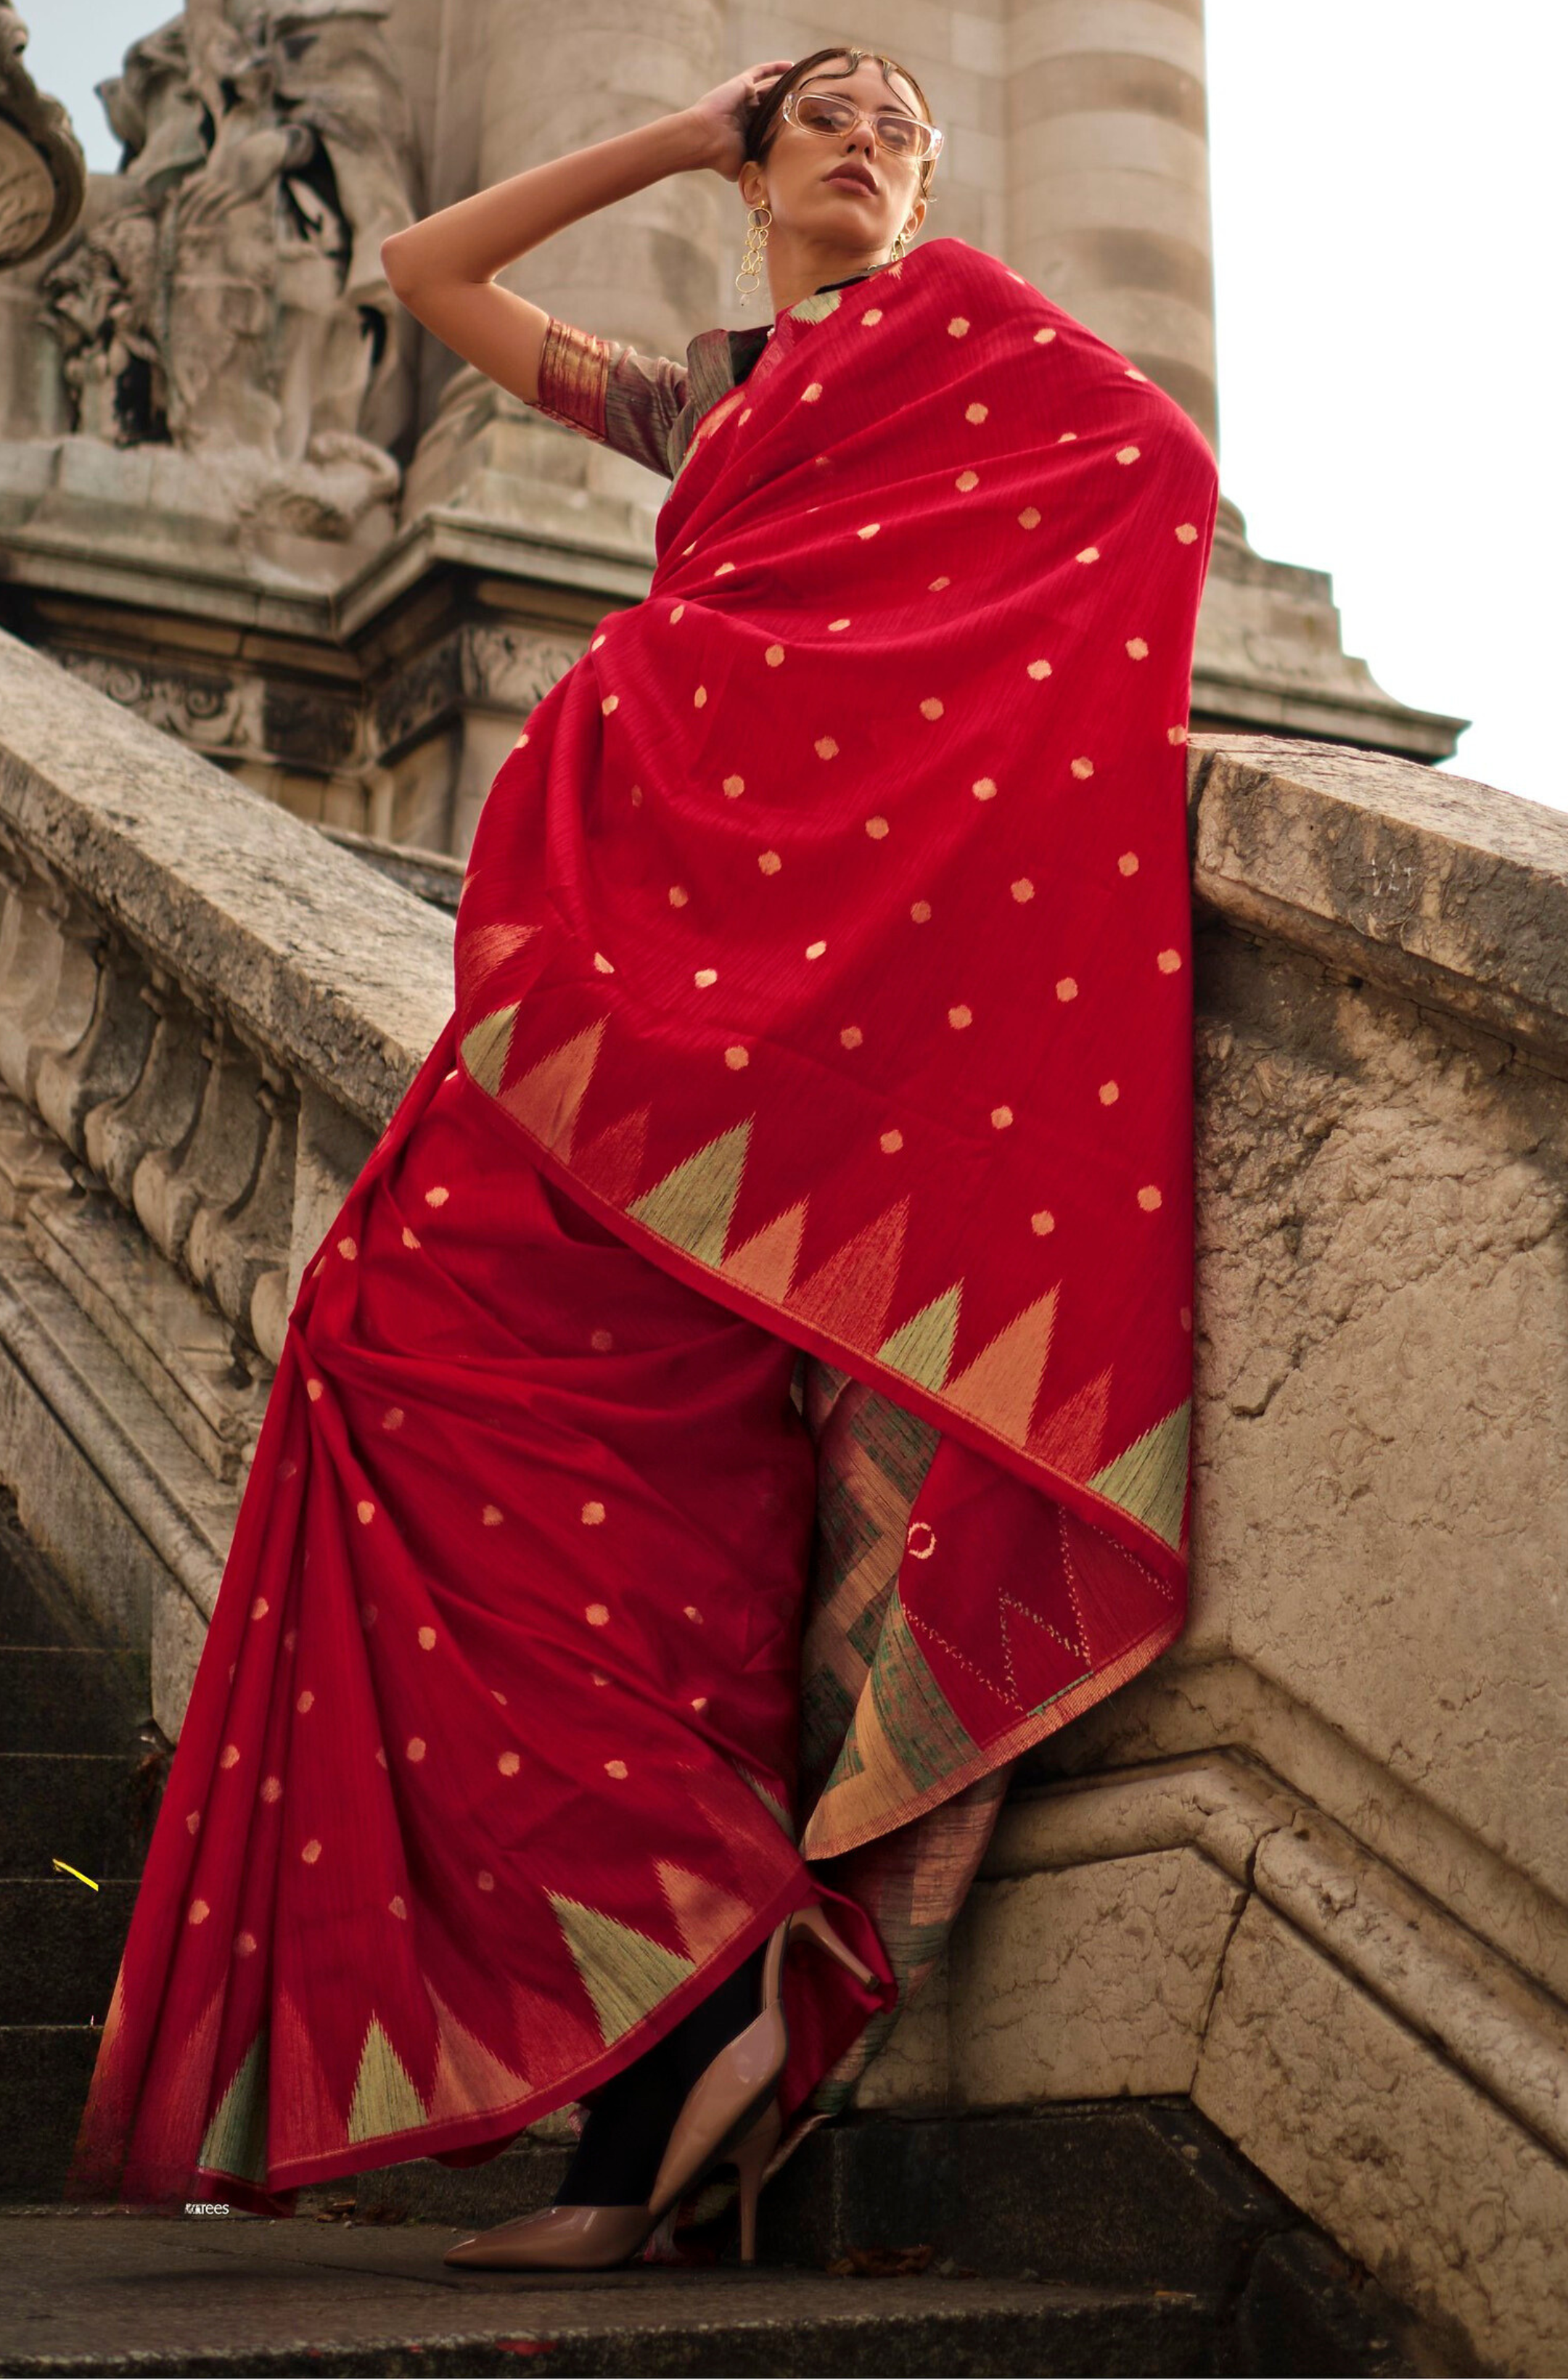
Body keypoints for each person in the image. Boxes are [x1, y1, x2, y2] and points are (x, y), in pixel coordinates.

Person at [64, 47, 1218, 2275]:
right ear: (758, 165)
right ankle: (684, 2033)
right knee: (376, 1354)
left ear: (937, 177)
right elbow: (421, 268)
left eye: (901, 117)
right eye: (824, 118)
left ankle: (668, 2084)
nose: (868, 139)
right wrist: (677, 134)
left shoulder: (973, 338)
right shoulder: (696, 398)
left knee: (664, 1565)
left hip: (785, 1037)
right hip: (611, 979)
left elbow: (1151, 478)